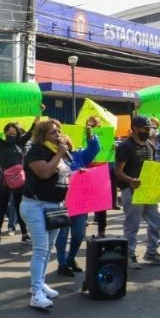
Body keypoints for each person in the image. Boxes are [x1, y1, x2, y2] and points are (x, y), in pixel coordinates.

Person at [21, 119, 72, 309]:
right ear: (42, 135)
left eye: (59, 131)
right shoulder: (36, 152)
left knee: (48, 248)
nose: (58, 134)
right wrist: (59, 154)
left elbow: (63, 174)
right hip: (36, 206)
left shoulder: (55, 152)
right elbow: (44, 173)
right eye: (53, 132)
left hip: (54, 205)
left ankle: (40, 284)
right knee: (41, 249)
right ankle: (35, 293)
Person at [115, 115, 160, 268]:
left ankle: (151, 252)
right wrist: (131, 180)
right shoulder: (125, 147)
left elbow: (152, 169)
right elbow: (118, 172)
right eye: (145, 128)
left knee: (156, 221)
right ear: (135, 128)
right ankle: (130, 254)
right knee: (132, 224)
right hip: (131, 190)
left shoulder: (149, 145)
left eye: (149, 128)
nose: (148, 131)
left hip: (148, 191)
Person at [0, 102, 39, 247]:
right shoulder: (0, 143)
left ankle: (24, 235)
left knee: (20, 207)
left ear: (17, 135)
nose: (11, 135)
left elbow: (33, 129)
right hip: (4, 182)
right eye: (9, 133)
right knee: (2, 209)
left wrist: (39, 112)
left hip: (20, 182)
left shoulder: (20, 143)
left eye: (14, 134)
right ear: (5, 133)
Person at [55, 116, 101, 276]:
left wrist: (89, 132)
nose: (64, 148)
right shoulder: (53, 159)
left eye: (67, 144)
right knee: (62, 234)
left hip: (79, 202)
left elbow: (94, 149)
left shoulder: (79, 156)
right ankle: (61, 263)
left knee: (79, 233)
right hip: (61, 201)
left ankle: (71, 258)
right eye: (61, 145)